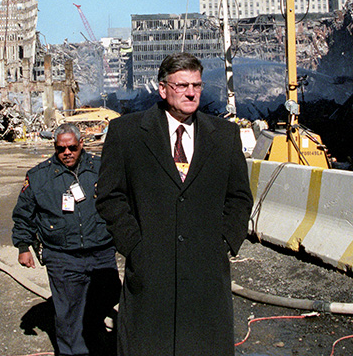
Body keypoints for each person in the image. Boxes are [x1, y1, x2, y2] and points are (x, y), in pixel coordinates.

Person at [96, 52, 253, 356]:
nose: (191, 93)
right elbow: (110, 196)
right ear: (163, 89)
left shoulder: (225, 135)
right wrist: (135, 246)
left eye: (196, 85)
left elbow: (239, 197)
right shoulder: (127, 133)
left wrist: (223, 242)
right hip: (151, 271)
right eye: (181, 85)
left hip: (206, 272)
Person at [12, 123, 120, 356]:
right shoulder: (39, 176)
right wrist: (23, 246)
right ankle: (74, 351)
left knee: (111, 292)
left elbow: (122, 201)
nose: (67, 153)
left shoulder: (102, 168)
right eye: (61, 149)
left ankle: (90, 328)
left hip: (101, 249)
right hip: (62, 255)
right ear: (55, 147)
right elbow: (23, 214)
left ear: (81, 144)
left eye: (72, 147)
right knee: (69, 312)